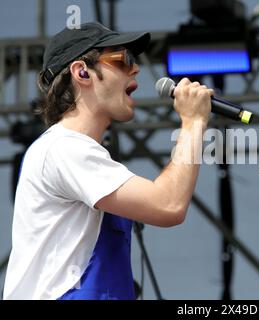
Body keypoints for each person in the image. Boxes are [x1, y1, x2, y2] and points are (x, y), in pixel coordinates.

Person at [3, 22, 213, 300]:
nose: (135, 68)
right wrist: (193, 121)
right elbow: (169, 204)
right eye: (123, 60)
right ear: (82, 72)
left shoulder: (78, 152)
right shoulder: (63, 148)